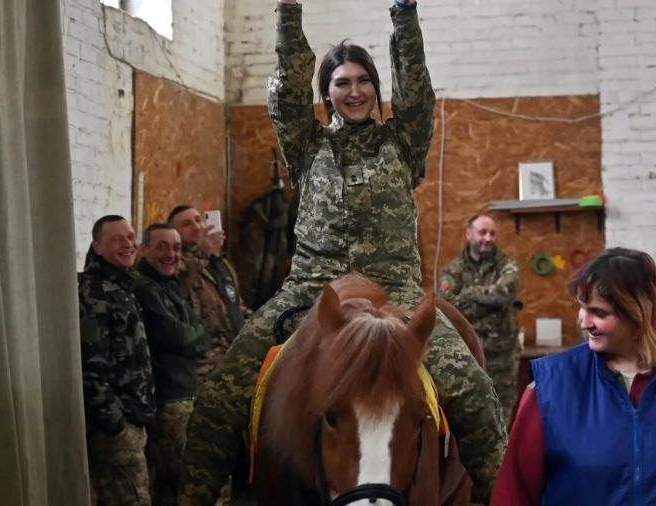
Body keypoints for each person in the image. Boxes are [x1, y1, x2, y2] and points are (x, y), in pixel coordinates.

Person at [179, 1, 507, 504]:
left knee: (474, 391)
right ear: (327, 93)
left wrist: (404, 15)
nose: (354, 91)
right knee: (220, 396)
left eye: (362, 81)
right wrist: (289, 15)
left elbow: (417, 89)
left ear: (375, 88)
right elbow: (286, 93)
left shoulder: (403, 141)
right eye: (341, 83)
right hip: (310, 291)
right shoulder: (307, 146)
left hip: (395, 291)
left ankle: (500, 495)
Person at [492, 248, 656, 506]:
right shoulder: (550, 386)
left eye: (599, 313)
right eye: (582, 307)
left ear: (640, 314)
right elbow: (513, 494)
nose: (584, 322)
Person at [78, 215, 154, 506]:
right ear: (97, 247)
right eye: (117, 239)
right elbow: (91, 367)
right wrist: (116, 425)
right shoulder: (94, 292)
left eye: (130, 236)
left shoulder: (121, 287)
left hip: (134, 423)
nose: (128, 244)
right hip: (116, 432)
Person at [132, 224, 209, 506]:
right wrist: (195, 337)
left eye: (176, 248)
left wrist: (195, 337)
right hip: (167, 399)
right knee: (172, 481)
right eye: (162, 246)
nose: (171, 254)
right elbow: (175, 335)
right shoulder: (143, 287)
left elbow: (200, 331)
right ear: (144, 249)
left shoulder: (171, 286)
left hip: (187, 391)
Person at [440, 213, 520, 424]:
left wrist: (468, 293)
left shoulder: (506, 265)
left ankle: (503, 458)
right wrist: (486, 300)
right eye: (482, 232)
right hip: (466, 356)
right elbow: (447, 307)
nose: (488, 238)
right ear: (468, 234)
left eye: (492, 233)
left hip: (501, 358)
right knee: (469, 417)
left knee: (501, 418)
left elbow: (503, 295)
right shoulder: (453, 270)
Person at [169, 205, 249, 378]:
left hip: (236, 353)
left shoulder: (220, 264)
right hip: (206, 364)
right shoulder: (175, 263)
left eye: (199, 220)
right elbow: (183, 282)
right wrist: (202, 252)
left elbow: (236, 305)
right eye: (186, 224)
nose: (197, 227)